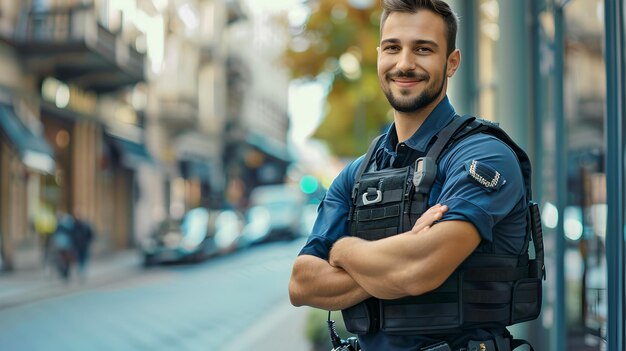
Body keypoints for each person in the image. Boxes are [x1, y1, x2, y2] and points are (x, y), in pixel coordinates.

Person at [288, 1, 543, 350]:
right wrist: (403, 253)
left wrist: (343, 249)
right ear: (379, 56)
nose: (404, 63)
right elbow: (302, 284)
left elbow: (421, 269)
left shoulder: (484, 156)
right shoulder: (356, 174)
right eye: (393, 48)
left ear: (451, 63)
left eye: (423, 49)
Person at [71, 208, 94, 280]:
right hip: (77, 245)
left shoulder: (86, 225)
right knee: (78, 259)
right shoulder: (74, 225)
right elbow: (72, 234)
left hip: (84, 245)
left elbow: (91, 234)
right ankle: (80, 270)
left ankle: (82, 271)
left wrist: (88, 242)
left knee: (83, 259)